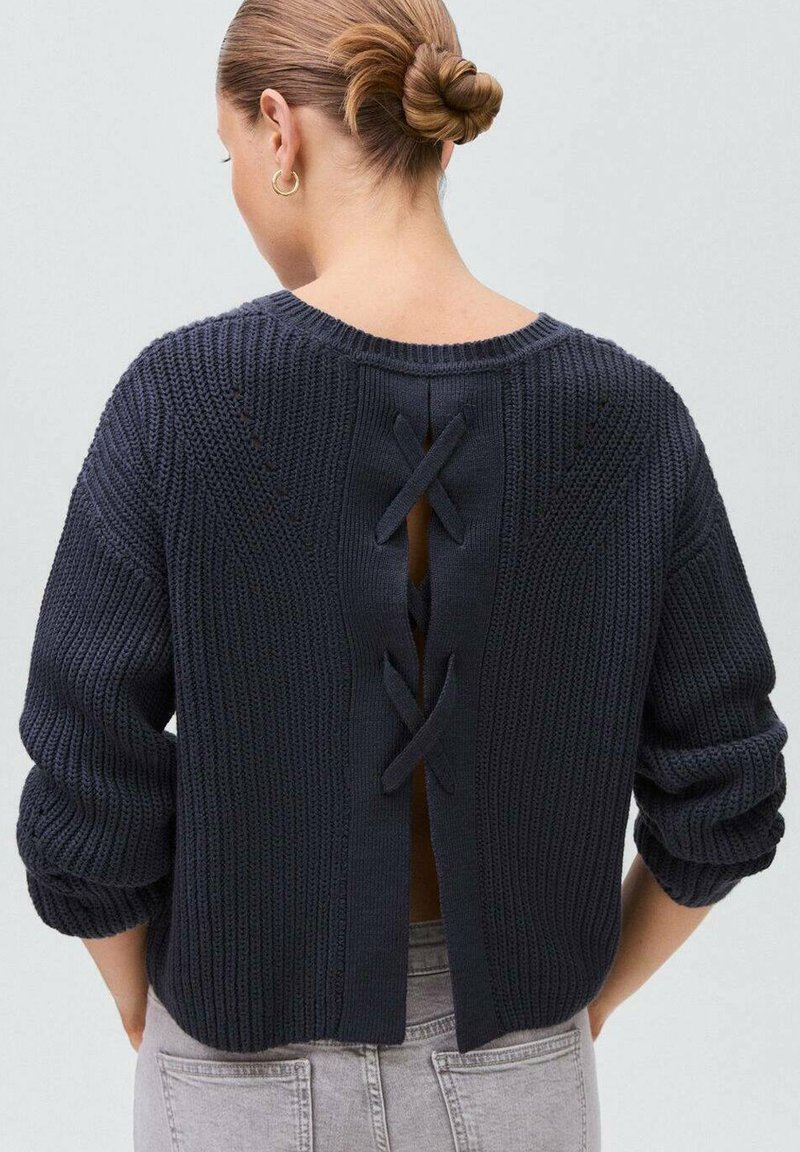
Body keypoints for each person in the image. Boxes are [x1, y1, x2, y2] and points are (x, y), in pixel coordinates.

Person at [15, 2, 788, 1150]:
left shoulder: (182, 401)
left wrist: (142, 1000)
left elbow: (86, 781)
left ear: (278, 130)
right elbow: (725, 794)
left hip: (231, 1058)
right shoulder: (626, 417)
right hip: (517, 1070)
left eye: (228, 155)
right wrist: (579, 1009)